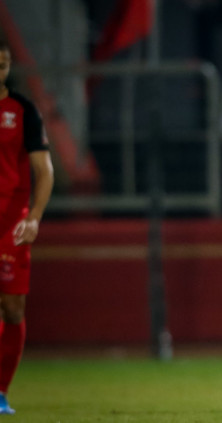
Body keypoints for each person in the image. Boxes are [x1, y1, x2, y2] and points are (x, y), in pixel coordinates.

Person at [0, 40, 54, 415]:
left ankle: (0, 391)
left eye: (3, 63)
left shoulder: (23, 111)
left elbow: (44, 170)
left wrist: (34, 216)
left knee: (13, 308)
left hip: (11, 224)